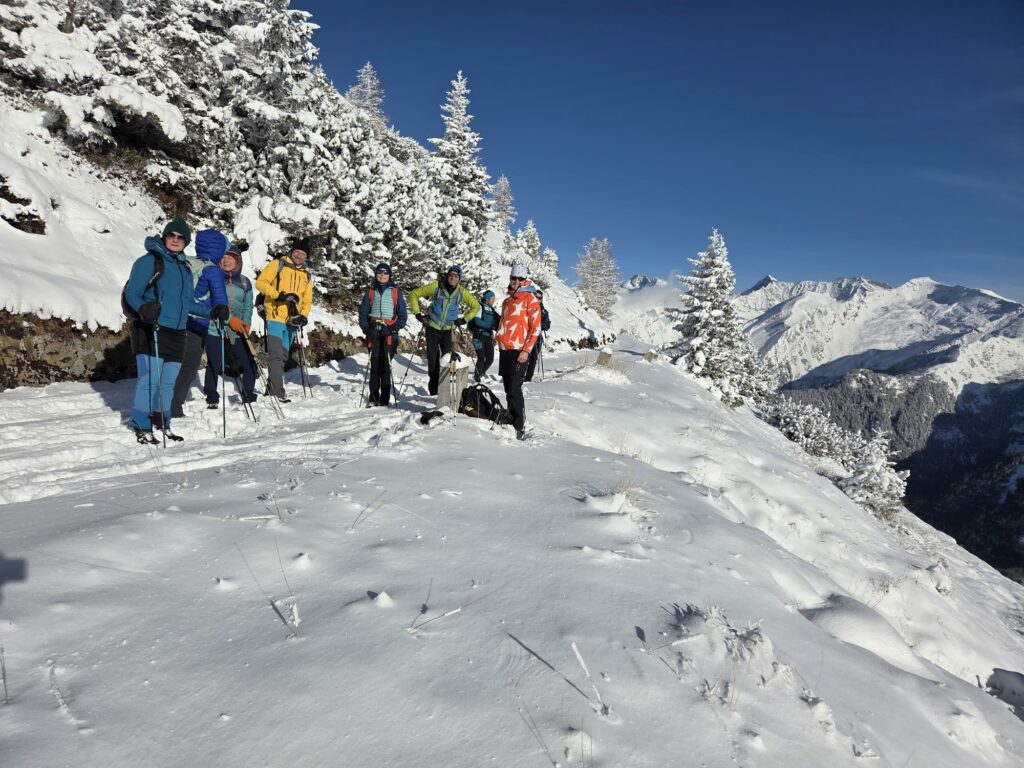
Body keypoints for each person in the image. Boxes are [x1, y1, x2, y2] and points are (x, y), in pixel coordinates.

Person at [123, 218, 227, 444]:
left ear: (186, 242)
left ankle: (163, 422)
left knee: (168, 382)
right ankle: (141, 425)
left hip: (178, 331)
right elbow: (132, 292)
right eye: (172, 235)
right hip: (152, 327)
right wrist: (143, 308)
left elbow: (187, 303)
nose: (176, 240)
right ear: (165, 236)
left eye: (181, 237)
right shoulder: (149, 261)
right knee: (149, 379)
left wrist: (212, 312)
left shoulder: (184, 268)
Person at [170, 229, 229, 418]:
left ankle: (161, 401)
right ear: (219, 249)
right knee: (189, 366)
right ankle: (174, 406)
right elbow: (221, 302)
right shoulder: (213, 270)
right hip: (196, 323)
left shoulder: (187, 262)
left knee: (172, 364)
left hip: (175, 319)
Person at [254, 238, 314, 404]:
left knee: (283, 356)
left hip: (291, 322)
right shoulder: (278, 265)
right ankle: (277, 392)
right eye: (297, 252)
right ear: (292, 252)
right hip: (274, 315)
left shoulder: (307, 275)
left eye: (302, 254)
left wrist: (303, 315)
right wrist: (278, 295)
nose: (299, 256)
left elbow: (307, 300)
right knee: (276, 356)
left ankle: (270, 389)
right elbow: (261, 283)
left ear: (306, 257)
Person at [407, 264, 480, 396]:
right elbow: (414, 294)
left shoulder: (461, 292)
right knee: (433, 362)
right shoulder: (436, 287)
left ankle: (443, 391)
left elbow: (475, 306)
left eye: (455, 276)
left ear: (459, 279)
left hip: (447, 331)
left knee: (447, 361)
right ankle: (434, 392)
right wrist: (417, 314)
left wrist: (464, 319)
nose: (452, 278)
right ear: (447, 276)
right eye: (450, 275)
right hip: (433, 328)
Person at [204, 246, 256, 407]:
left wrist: (245, 323)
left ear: (238, 261)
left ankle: (248, 393)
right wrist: (229, 319)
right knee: (215, 362)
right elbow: (210, 302)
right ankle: (211, 393)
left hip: (238, 329)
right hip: (216, 326)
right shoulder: (213, 278)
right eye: (224, 257)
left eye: (231, 258)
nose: (226, 260)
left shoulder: (245, 282)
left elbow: (248, 305)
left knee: (249, 363)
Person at [494, 263, 542, 440]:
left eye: (519, 278)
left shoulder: (530, 299)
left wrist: (527, 350)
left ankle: (519, 424)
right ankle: (511, 417)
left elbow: (535, 328)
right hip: (506, 349)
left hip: (519, 350)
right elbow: (503, 323)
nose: (515, 281)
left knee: (515, 388)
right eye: (513, 278)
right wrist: (499, 337)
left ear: (524, 280)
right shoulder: (507, 301)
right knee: (508, 388)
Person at [358, 262, 408, 407]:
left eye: (385, 273)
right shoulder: (370, 292)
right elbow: (362, 313)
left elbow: (403, 316)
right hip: (373, 331)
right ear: (375, 274)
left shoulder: (395, 292)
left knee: (386, 367)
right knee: (374, 366)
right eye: (379, 272)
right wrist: (367, 329)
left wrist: (392, 328)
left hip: (389, 333)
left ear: (389, 275)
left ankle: (385, 399)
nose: (382, 275)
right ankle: (374, 398)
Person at [468, 289, 500, 381]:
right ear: (488, 299)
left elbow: (500, 320)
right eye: (493, 298)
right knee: (481, 357)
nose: (494, 300)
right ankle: (477, 377)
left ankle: (480, 373)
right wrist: (490, 326)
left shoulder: (491, 309)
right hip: (479, 336)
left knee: (490, 359)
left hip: (488, 336)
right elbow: (477, 321)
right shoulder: (479, 307)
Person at [524, 288, 551, 382]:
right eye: (536, 297)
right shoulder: (527, 308)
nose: (538, 299)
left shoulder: (544, 312)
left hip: (538, 338)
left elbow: (547, 325)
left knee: (533, 359)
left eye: (540, 298)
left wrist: (539, 325)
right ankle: (519, 376)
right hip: (527, 336)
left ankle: (528, 378)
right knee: (525, 357)